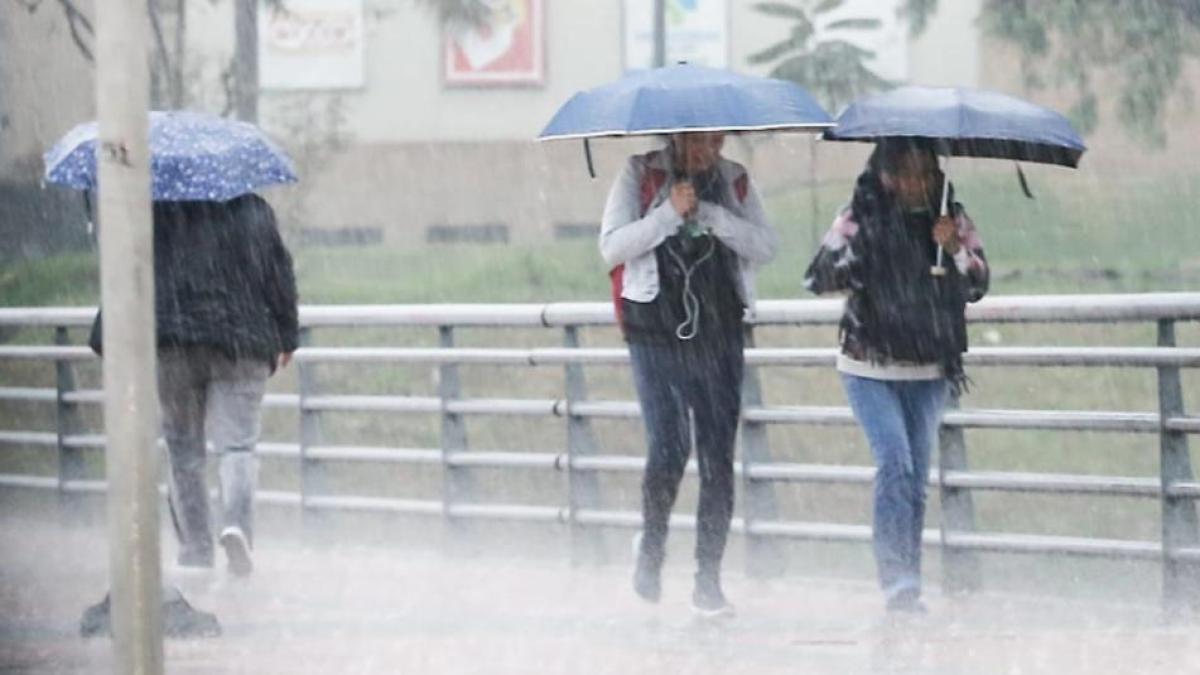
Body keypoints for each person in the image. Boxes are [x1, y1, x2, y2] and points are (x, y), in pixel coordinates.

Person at [804, 139, 989, 613]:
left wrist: (953, 249)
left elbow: (978, 282)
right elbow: (819, 275)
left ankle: (910, 578)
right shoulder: (860, 214)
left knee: (916, 476)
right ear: (885, 174)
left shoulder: (951, 218)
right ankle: (897, 582)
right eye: (904, 173)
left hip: (929, 365)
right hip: (869, 362)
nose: (914, 184)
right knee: (895, 464)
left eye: (924, 173)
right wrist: (869, 249)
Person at [599, 132, 778, 615]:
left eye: (717, 140)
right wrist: (667, 215)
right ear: (677, 137)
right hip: (654, 332)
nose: (710, 149)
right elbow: (612, 248)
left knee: (718, 455)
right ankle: (652, 547)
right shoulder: (639, 174)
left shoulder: (734, 180)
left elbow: (765, 246)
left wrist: (715, 217)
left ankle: (708, 579)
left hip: (720, 332)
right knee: (669, 445)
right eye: (700, 140)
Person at [89, 193, 298, 577]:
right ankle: (236, 525)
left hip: (174, 343)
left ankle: (196, 550)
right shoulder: (252, 210)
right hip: (243, 342)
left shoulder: (155, 209)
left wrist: (105, 333)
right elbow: (278, 273)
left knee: (184, 450)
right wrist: (287, 333)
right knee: (237, 446)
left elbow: (129, 272)